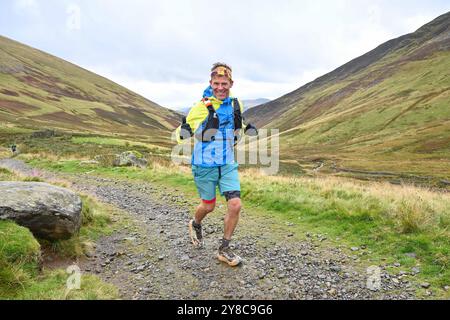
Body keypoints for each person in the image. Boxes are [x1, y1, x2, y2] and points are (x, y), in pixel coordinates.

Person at [175, 62, 257, 267]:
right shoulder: (201, 107)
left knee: (235, 204)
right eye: (216, 83)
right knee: (208, 206)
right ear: (210, 83)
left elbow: (236, 121)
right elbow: (179, 135)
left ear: (231, 83)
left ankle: (224, 249)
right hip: (204, 165)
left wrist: (247, 127)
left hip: (227, 162)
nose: (220, 87)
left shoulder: (236, 104)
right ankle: (195, 223)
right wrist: (184, 130)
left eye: (224, 83)